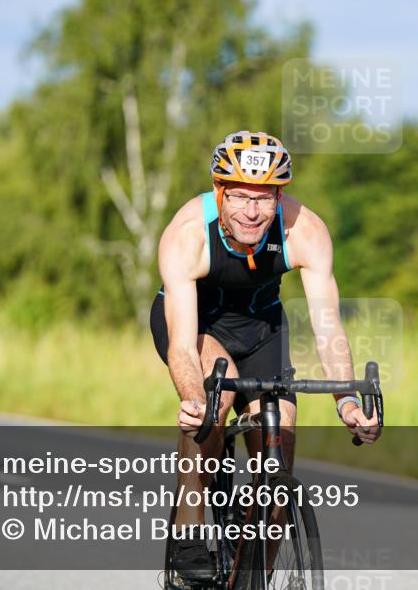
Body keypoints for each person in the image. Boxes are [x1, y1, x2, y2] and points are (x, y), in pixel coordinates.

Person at [150, 130, 380, 583]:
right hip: (196, 325)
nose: (252, 212)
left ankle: (254, 574)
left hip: (261, 329)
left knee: (280, 450)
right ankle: (191, 523)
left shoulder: (305, 231)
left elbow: (328, 325)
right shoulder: (187, 235)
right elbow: (181, 344)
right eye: (238, 197)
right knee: (214, 404)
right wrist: (193, 399)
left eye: (264, 198)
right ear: (220, 193)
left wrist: (347, 402)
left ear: (280, 195)